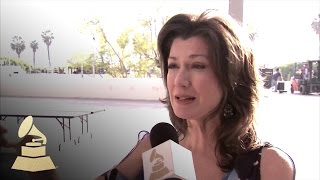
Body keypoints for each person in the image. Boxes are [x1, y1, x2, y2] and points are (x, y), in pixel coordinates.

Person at [96, 9, 295, 180]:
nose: (179, 80)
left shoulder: (268, 165)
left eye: (197, 65)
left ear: (232, 78)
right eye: (173, 65)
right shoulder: (158, 146)